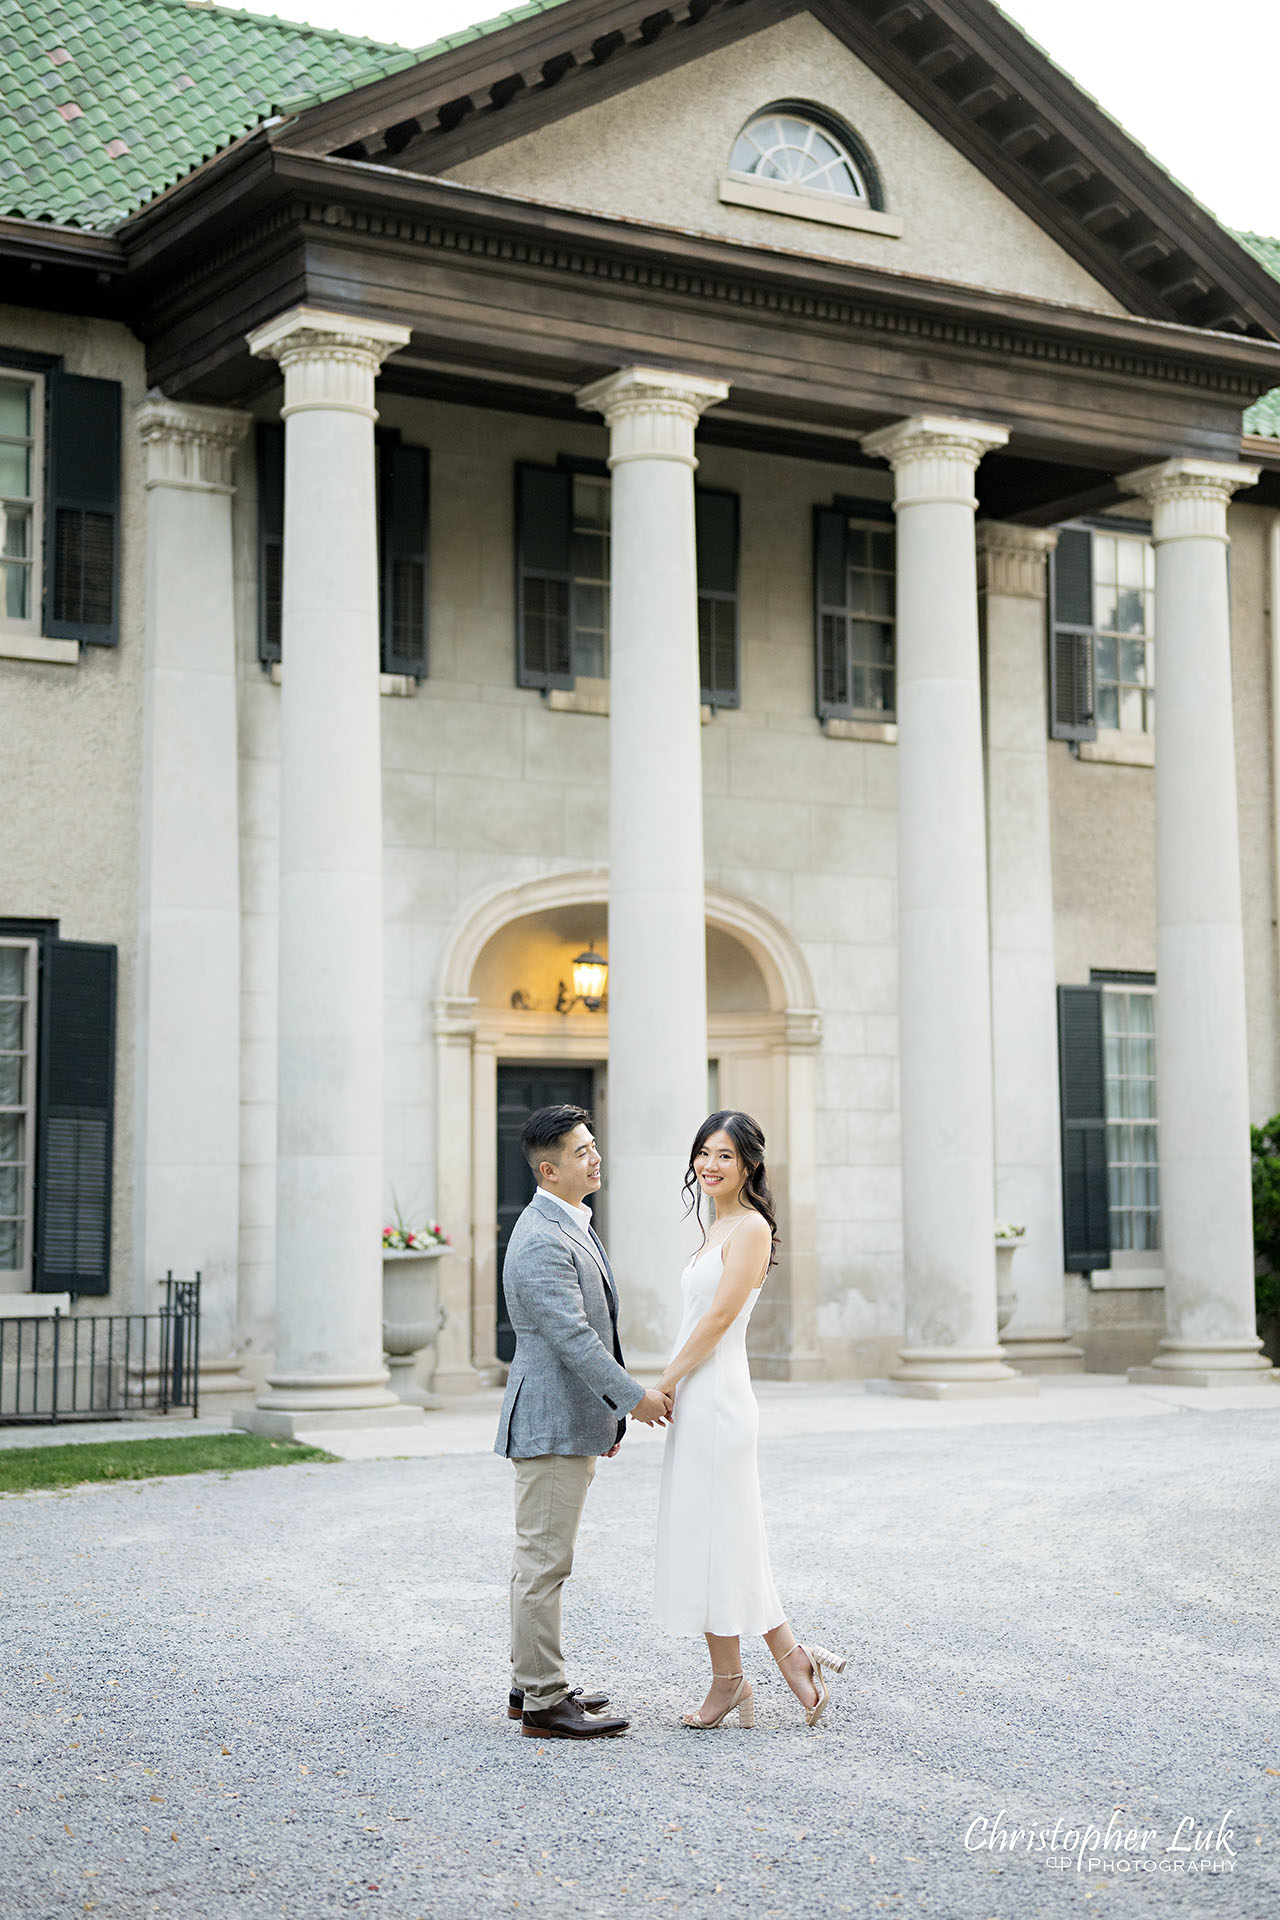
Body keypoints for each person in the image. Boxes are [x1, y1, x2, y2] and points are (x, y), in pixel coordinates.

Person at [653, 1110, 846, 1729]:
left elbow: (716, 1320)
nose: (709, 1165)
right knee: (723, 1539)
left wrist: (664, 1382)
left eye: (724, 1157)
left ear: (750, 1165)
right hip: (700, 1397)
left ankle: (742, 1678)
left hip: (719, 1400)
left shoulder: (752, 1229)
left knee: (722, 1539)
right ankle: (780, 1666)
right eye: (703, 1153)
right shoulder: (716, 1227)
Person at [494, 1103, 673, 1741]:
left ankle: (531, 1683)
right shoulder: (542, 1235)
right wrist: (632, 1399)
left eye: (593, 1146)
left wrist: (607, 1418)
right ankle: (543, 1702)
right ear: (549, 1170)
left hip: (569, 1418)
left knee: (541, 1559)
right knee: (544, 1562)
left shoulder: (567, 1220)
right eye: (580, 1152)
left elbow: (591, 1328)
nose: (594, 1158)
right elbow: (573, 1338)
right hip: (548, 1422)